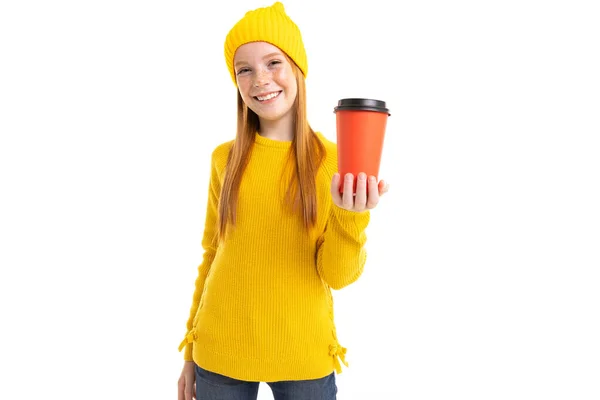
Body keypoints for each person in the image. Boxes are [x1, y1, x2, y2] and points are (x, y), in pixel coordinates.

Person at [177, 2, 389, 399]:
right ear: (235, 81)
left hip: (303, 355)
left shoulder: (335, 163)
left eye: (273, 62)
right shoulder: (224, 159)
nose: (260, 79)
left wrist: (353, 218)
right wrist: (189, 350)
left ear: (298, 68)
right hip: (220, 350)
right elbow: (211, 253)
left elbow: (338, 276)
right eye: (245, 69)